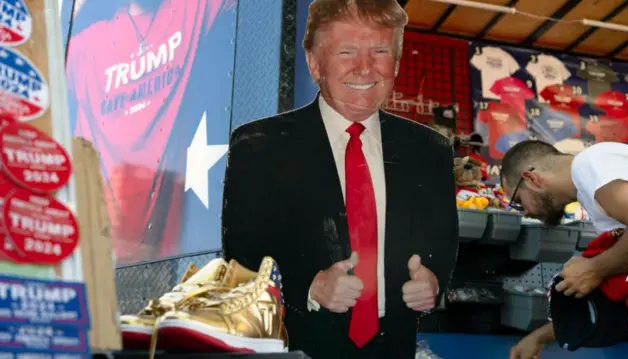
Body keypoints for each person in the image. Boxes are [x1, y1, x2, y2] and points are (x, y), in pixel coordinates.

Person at [221, 0, 459, 358]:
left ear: (395, 62)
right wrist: (309, 287)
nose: (365, 68)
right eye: (347, 51)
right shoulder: (259, 146)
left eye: (380, 51)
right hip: (296, 344)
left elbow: (442, 243)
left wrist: (434, 283)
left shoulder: (431, 150)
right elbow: (241, 256)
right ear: (315, 62)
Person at [66, 0, 234, 263]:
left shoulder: (186, 10)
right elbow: (38, 60)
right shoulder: (88, 45)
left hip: (162, 257)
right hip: (97, 254)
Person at [499, 140, 628, 359]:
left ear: (531, 179)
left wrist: (595, 268)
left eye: (518, 200)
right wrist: (540, 337)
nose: (524, 212)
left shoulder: (591, 163)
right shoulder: (593, 188)